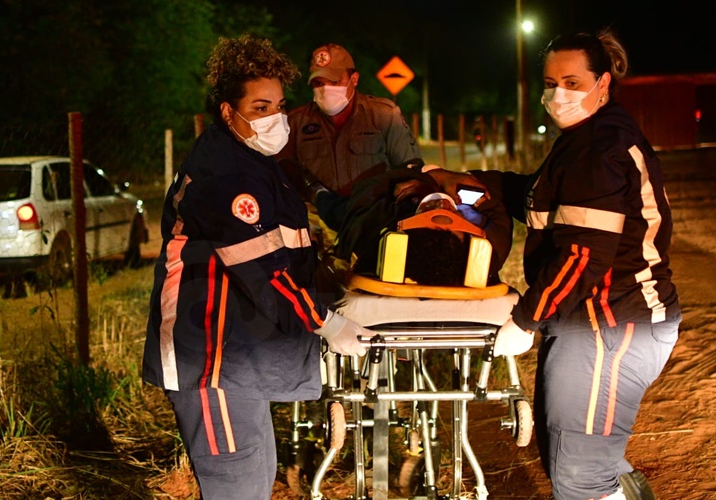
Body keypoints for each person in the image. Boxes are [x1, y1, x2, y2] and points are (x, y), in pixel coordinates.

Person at [428, 30, 681, 500]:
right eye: (550, 81)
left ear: (603, 82)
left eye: (571, 81)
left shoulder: (599, 147)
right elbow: (536, 197)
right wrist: (464, 180)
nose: (558, 93)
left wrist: (526, 318)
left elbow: (583, 254)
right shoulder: (585, 138)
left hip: (612, 320)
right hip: (590, 319)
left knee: (580, 476)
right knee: (570, 454)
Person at [142, 35, 371, 500]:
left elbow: (289, 251)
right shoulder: (227, 174)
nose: (275, 119)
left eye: (280, 106)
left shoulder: (255, 163)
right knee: (237, 483)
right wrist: (326, 323)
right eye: (260, 106)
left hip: (237, 357)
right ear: (229, 112)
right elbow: (265, 274)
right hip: (211, 360)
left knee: (257, 473)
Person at [305, 166, 513, 287]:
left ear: (404, 233)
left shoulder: (377, 237)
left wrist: (433, 178)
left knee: (331, 207)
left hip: (357, 213)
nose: (442, 202)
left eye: (430, 211)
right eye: (451, 216)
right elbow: (495, 196)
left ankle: (313, 189)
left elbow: (366, 197)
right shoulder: (490, 250)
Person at [276, 42, 423, 197]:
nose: (326, 90)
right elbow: (282, 175)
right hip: (317, 218)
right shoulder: (296, 122)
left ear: (354, 79)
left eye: (335, 81)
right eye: (318, 83)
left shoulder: (384, 115)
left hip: (372, 216)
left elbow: (411, 172)